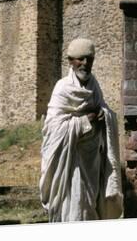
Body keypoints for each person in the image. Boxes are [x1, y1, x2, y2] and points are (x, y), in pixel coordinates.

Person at [39, 37, 123, 222]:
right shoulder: (62, 88)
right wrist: (87, 119)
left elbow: (105, 109)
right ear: (70, 61)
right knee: (74, 206)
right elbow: (53, 128)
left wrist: (103, 114)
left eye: (89, 59)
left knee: (90, 204)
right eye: (80, 59)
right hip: (70, 160)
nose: (85, 63)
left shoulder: (93, 84)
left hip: (92, 160)